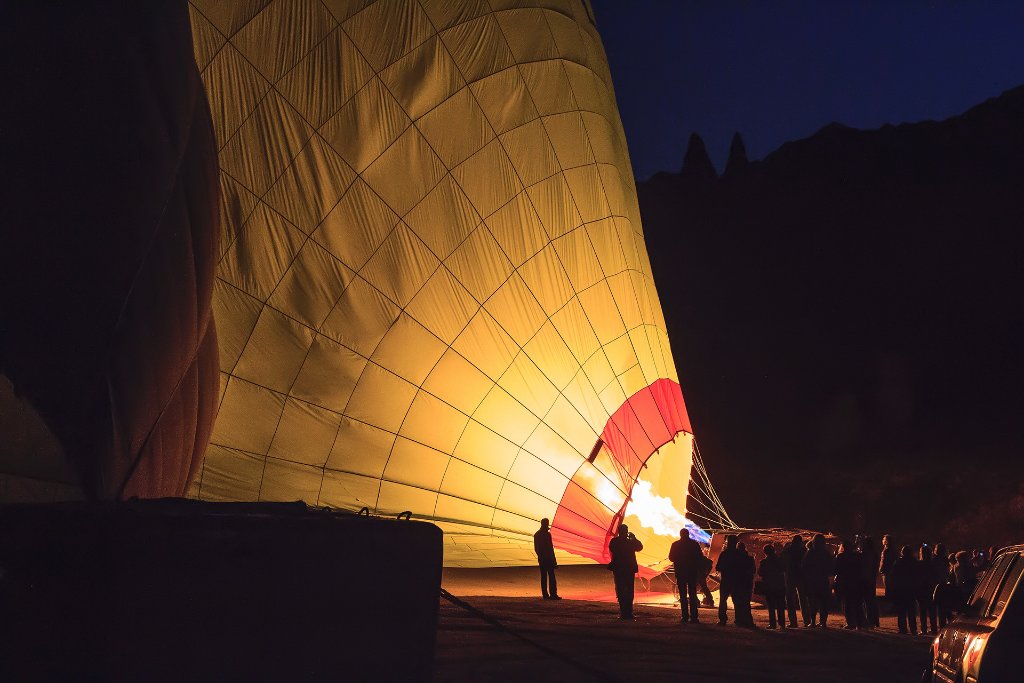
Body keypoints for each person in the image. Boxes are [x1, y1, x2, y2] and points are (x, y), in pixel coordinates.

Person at [608, 524, 643, 620]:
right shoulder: (630, 542)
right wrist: (634, 538)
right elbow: (640, 547)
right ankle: (629, 612)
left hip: (619, 568)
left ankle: (623, 612)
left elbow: (612, 549)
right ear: (626, 531)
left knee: (620, 590)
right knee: (629, 590)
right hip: (628, 569)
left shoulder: (614, 542)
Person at [668, 529, 703, 623]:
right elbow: (700, 557)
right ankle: (694, 617)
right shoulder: (694, 544)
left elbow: (671, 558)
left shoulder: (675, 544)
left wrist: (679, 558)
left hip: (681, 572)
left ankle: (685, 616)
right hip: (692, 572)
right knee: (692, 594)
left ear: (680, 535)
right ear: (688, 534)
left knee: (683, 595)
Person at [802, 534, 835, 628]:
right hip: (823, 580)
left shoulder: (810, 553)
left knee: (812, 602)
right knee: (824, 602)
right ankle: (823, 622)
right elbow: (831, 567)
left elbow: (804, 566)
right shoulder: (826, 553)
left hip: (812, 581)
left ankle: (812, 622)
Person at [834, 539, 864, 629]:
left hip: (844, 582)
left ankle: (850, 623)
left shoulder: (840, 556)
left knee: (847, 603)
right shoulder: (857, 556)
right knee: (857, 603)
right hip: (856, 581)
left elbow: (836, 569)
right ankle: (859, 624)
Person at [780, 534, 808, 627]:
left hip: (790, 576)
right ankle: (807, 621)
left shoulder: (787, 550)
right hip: (801, 576)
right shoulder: (803, 550)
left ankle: (793, 622)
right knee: (803, 599)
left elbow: (782, 562)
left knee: (790, 599)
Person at [889, 545, 919, 634]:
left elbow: (893, 575)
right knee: (911, 611)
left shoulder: (899, 562)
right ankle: (913, 629)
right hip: (911, 588)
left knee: (901, 610)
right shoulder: (914, 562)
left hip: (901, 588)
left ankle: (902, 629)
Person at [716, 535, 743, 625]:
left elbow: (718, 567)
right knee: (737, 600)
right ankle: (739, 619)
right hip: (737, 580)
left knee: (723, 600)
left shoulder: (724, 554)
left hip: (726, 580)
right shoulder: (739, 554)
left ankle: (722, 619)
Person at [758, 543, 786, 629]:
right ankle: (782, 624)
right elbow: (783, 569)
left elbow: (760, 573)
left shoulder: (764, 562)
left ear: (765, 552)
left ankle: (773, 624)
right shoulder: (779, 560)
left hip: (769, 585)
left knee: (771, 606)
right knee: (780, 605)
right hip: (779, 585)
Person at [533, 518, 560, 600]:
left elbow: (537, 549)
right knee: (550, 576)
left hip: (543, 559)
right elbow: (550, 549)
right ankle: (552, 594)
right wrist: (553, 560)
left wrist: (541, 557)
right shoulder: (546, 535)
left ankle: (546, 595)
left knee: (545, 577)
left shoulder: (537, 534)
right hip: (547, 559)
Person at [858, 536, 880, 628]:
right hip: (870, 579)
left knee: (866, 601)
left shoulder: (864, 554)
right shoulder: (874, 554)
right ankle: (874, 620)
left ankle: (869, 621)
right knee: (871, 600)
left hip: (865, 579)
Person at [916, 544, 937, 635]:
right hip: (931, 588)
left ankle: (924, 629)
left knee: (922, 610)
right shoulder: (933, 564)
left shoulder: (919, 564)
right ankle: (934, 628)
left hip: (922, 588)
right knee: (932, 610)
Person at [734, 542, 756, 627]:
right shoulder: (750, 559)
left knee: (737, 602)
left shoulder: (735, 559)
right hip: (747, 583)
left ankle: (739, 620)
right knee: (746, 603)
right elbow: (753, 570)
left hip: (738, 582)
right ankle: (748, 621)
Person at [879, 534, 896, 598]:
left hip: (887, 571)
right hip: (888, 571)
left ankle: (888, 600)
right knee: (888, 586)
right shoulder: (888, 549)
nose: (882, 540)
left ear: (887, 541)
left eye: (884, 539)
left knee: (888, 586)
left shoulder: (887, 550)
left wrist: (881, 569)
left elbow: (885, 561)